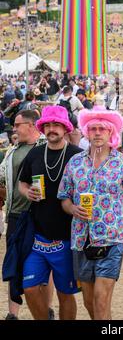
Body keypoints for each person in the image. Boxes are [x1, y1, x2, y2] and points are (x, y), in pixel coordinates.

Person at [57, 106, 123, 320]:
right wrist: (72, 208)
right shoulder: (75, 162)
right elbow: (64, 198)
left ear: (111, 133)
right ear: (86, 132)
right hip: (81, 240)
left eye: (102, 129)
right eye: (93, 129)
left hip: (111, 239)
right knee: (90, 302)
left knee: (100, 299)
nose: (97, 133)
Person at [18, 106, 82, 320]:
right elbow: (22, 183)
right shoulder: (35, 153)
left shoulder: (77, 155)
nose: (52, 129)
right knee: (29, 288)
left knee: (65, 294)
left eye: (57, 125)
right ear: (43, 127)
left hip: (67, 237)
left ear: (65, 128)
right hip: (38, 235)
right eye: (48, 125)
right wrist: (28, 193)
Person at [0, 110, 52, 320]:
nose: (14, 129)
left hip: (40, 215)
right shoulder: (13, 151)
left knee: (44, 264)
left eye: (17, 125)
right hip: (15, 214)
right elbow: (3, 176)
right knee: (14, 261)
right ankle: (13, 313)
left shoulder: (46, 148)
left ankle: (46, 309)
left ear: (31, 125)